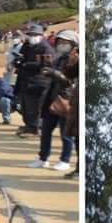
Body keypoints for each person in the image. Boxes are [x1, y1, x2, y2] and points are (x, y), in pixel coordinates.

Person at [37, 31, 78, 173]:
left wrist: (54, 74)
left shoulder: (75, 59)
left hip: (65, 99)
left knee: (65, 133)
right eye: (60, 42)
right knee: (46, 130)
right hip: (52, 97)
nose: (62, 45)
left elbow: (70, 81)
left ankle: (65, 160)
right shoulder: (59, 58)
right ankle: (43, 158)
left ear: (73, 44)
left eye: (65, 43)